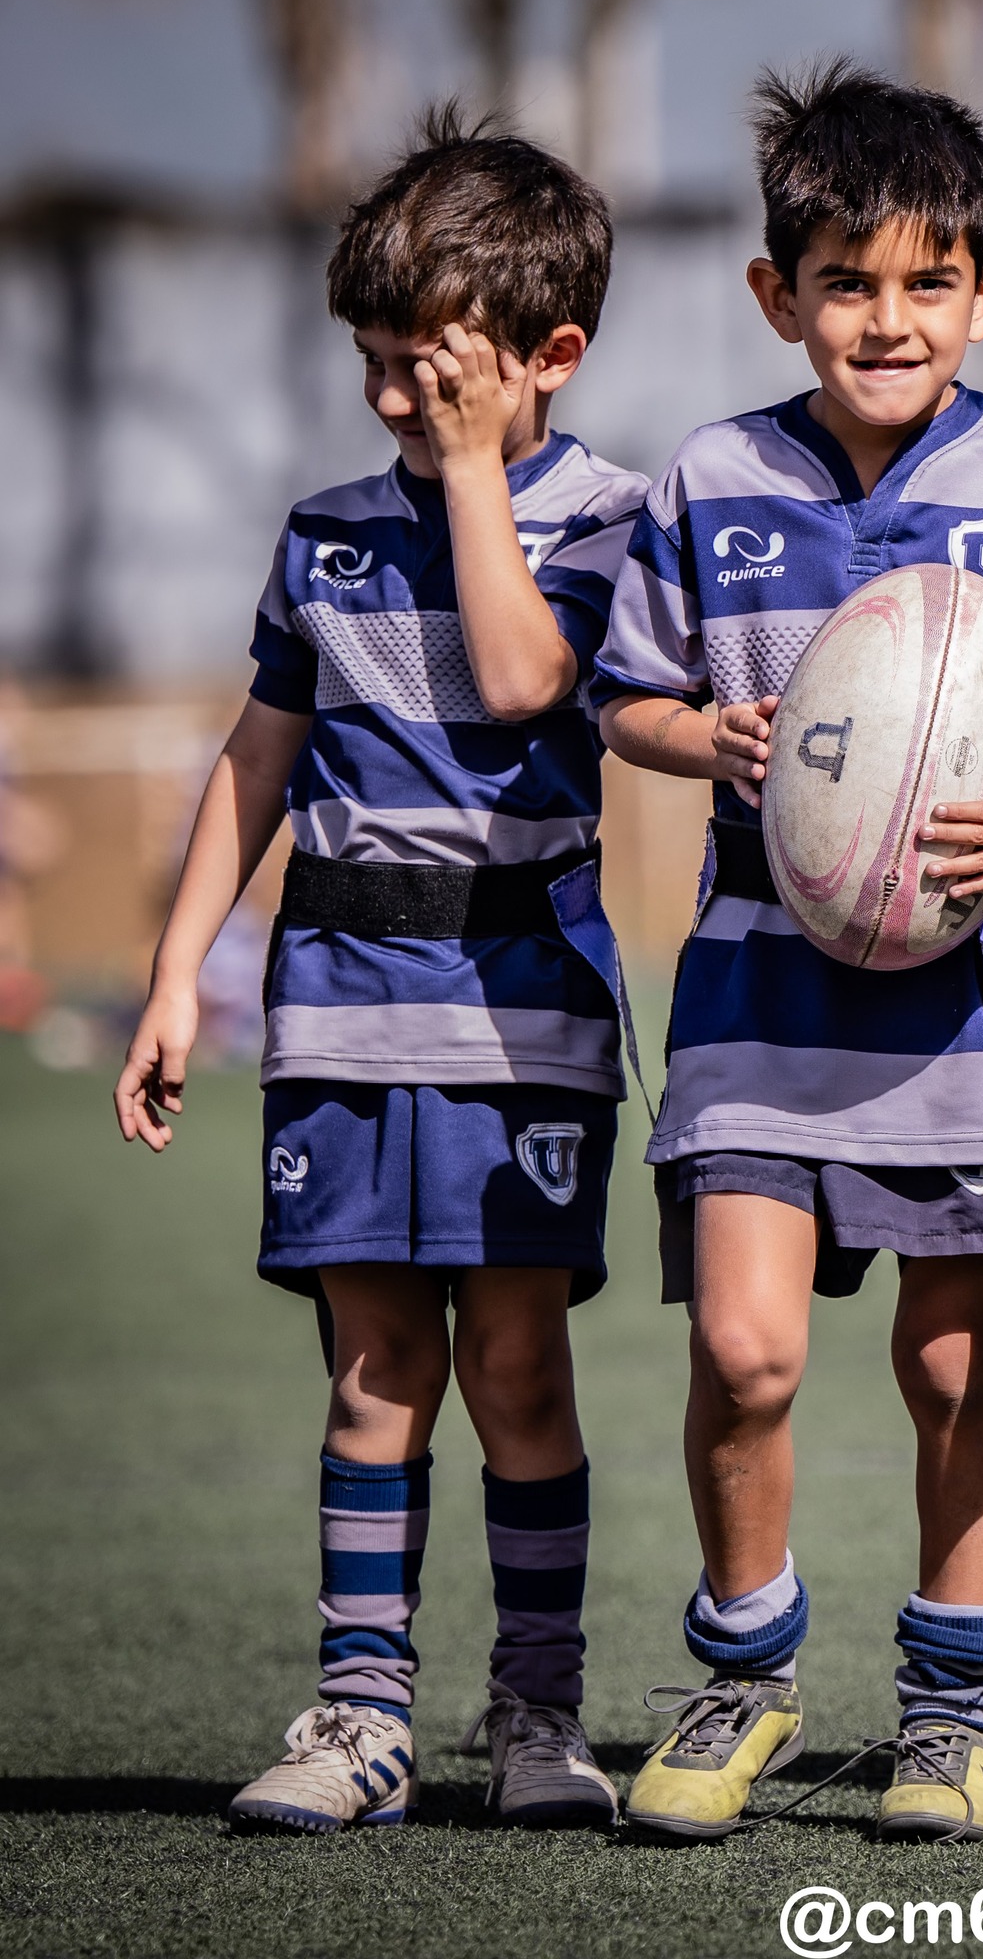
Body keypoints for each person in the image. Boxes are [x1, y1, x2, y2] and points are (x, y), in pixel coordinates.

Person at [594, 60, 983, 1842]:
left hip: (967, 1012)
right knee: (748, 1355)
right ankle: (744, 1675)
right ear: (781, 294)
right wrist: (712, 741)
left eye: (927, 280)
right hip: (760, 983)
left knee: (949, 1364)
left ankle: (948, 1718)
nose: (885, 317)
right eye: (846, 279)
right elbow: (631, 700)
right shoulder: (710, 477)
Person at [111, 110, 646, 1833]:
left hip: (523, 1014)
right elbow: (256, 764)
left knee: (515, 1368)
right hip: (338, 1001)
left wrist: (480, 472)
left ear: (547, 358)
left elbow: (516, 684)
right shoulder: (323, 533)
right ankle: (360, 1720)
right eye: (378, 366)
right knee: (372, 1376)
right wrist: (182, 973)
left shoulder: (611, 518)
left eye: (431, 371)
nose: (398, 402)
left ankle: (541, 1718)